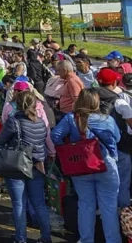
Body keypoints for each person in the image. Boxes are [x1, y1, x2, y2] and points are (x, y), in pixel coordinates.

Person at [51, 88, 122, 243]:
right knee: (108, 208)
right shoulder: (106, 119)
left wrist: (68, 149)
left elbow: (55, 135)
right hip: (105, 165)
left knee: (85, 205)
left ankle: (86, 239)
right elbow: (117, 138)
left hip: (80, 165)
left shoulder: (71, 118)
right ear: (96, 102)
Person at [0, 89, 52, 243]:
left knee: (19, 204)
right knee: (40, 204)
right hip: (37, 166)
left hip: (17, 166)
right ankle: (46, 238)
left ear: (18, 105)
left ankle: (21, 239)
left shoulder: (13, 121)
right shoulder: (40, 122)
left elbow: (0, 141)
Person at [95, 68, 132, 208]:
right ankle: (122, 214)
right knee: (122, 181)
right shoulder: (120, 102)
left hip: (94, 146)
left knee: (101, 183)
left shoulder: (89, 98)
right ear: (115, 82)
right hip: (120, 147)